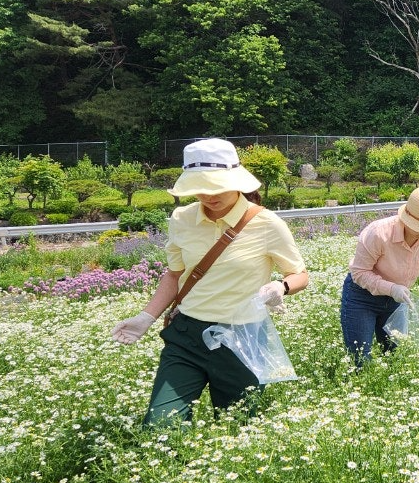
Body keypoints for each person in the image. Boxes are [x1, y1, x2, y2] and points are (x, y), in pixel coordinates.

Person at [111, 138, 309, 426]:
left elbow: (299, 274)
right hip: (187, 335)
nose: (207, 194)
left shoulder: (267, 223)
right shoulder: (182, 218)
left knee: (238, 426)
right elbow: (175, 275)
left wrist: (282, 287)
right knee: (160, 424)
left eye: (216, 186)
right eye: (199, 187)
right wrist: (146, 317)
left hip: (242, 338)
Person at [340, 186, 419, 366]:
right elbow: (359, 272)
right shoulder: (378, 232)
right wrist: (391, 288)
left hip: (397, 301)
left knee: (395, 354)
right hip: (362, 298)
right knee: (360, 357)